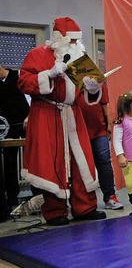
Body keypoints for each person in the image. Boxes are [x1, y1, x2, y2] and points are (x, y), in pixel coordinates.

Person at [18, 17, 106, 226]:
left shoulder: (80, 58)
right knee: (52, 163)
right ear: (60, 39)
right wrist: (48, 74)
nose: (76, 45)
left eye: (78, 41)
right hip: (48, 113)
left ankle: (85, 208)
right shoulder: (37, 54)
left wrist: (93, 88)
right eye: (72, 40)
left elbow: (87, 93)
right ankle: (55, 211)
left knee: (81, 163)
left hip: (73, 114)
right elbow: (23, 82)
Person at [77, 83, 123, 210]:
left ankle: (110, 197)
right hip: (78, 130)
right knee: (82, 165)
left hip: (98, 129)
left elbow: (105, 104)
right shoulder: (72, 81)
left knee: (104, 162)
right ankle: (84, 202)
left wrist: (108, 124)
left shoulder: (97, 82)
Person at [0, 64, 30, 214]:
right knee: (9, 162)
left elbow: (30, 97)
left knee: (31, 160)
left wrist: (30, 116)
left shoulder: (18, 76)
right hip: (7, 127)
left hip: (26, 123)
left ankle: (37, 195)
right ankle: (11, 197)